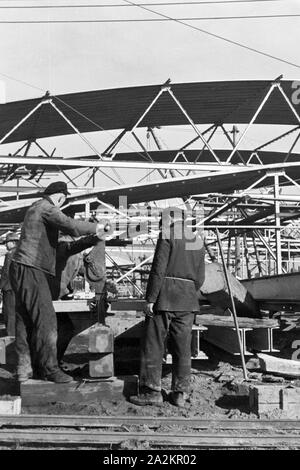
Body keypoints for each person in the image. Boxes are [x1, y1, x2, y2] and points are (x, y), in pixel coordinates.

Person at [9, 181, 106, 383]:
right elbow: (70, 225)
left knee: (26, 322)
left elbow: (69, 248)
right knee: (47, 321)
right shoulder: (46, 208)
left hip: (21, 268)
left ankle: (25, 369)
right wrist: (97, 227)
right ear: (61, 197)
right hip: (31, 268)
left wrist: (93, 239)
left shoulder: (35, 214)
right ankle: (49, 369)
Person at [130, 207, 206, 408]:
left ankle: (152, 391)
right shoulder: (197, 240)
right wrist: (187, 290)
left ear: (172, 219)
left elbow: (158, 269)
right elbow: (200, 278)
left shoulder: (168, 235)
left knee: (153, 343)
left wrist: (150, 299)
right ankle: (180, 393)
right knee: (183, 348)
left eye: (162, 219)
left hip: (165, 298)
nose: (160, 223)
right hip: (188, 301)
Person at [0, 232, 19, 336]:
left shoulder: (10, 254)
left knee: (9, 314)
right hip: (16, 288)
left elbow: (6, 271)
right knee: (16, 314)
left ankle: (10, 337)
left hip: (9, 288)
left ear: (12, 242)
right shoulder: (20, 253)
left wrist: (0, 286)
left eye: (6, 243)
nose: (5, 245)